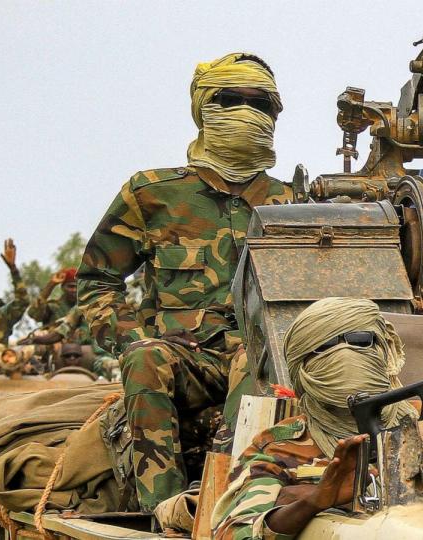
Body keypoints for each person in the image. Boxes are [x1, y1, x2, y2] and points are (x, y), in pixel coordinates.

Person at [76, 52, 292, 512]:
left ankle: (232, 499)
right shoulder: (152, 193)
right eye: (232, 100)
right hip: (183, 360)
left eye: (262, 104)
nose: (248, 114)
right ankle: (168, 510)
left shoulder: (294, 203)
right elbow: (98, 280)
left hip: (262, 358)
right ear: (204, 108)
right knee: (144, 358)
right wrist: (133, 337)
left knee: (258, 358)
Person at [211, 297, 423, 538]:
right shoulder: (278, 446)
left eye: (360, 341)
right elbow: (235, 532)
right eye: (325, 348)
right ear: (302, 365)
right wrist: (315, 502)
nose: (346, 355)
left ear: (382, 348)